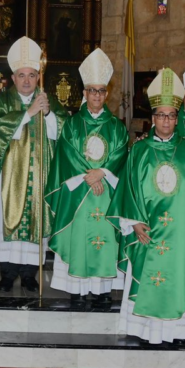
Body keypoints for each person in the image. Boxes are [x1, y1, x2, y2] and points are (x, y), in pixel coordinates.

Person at [109, 68, 185, 342]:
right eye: (161, 115)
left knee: (178, 274)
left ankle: (179, 330)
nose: (166, 120)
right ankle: (143, 329)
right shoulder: (139, 150)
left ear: (177, 119)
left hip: (181, 230)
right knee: (148, 273)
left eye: (171, 116)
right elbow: (128, 188)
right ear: (153, 119)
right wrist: (134, 222)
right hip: (148, 227)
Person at [0, 37, 68, 292]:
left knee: (36, 220)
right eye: (21, 75)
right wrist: (29, 113)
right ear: (13, 78)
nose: (26, 81)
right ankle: (7, 274)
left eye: (31, 75)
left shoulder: (48, 101)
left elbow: (64, 132)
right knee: (9, 220)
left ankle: (30, 274)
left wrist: (49, 113)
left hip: (39, 174)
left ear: (38, 77)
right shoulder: (2, 101)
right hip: (10, 176)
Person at [47, 49, 126, 303]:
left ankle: (102, 291)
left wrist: (102, 172)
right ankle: (77, 290)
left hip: (107, 192)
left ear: (107, 94)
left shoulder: (116, 126)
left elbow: (121, 152)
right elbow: (67, 153)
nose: (97, 96)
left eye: (101, 91)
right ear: (84, 93)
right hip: (79, 192)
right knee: (79, 236)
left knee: (106, 237)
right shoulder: (72, 124)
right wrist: (89, 177)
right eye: (92, 91)